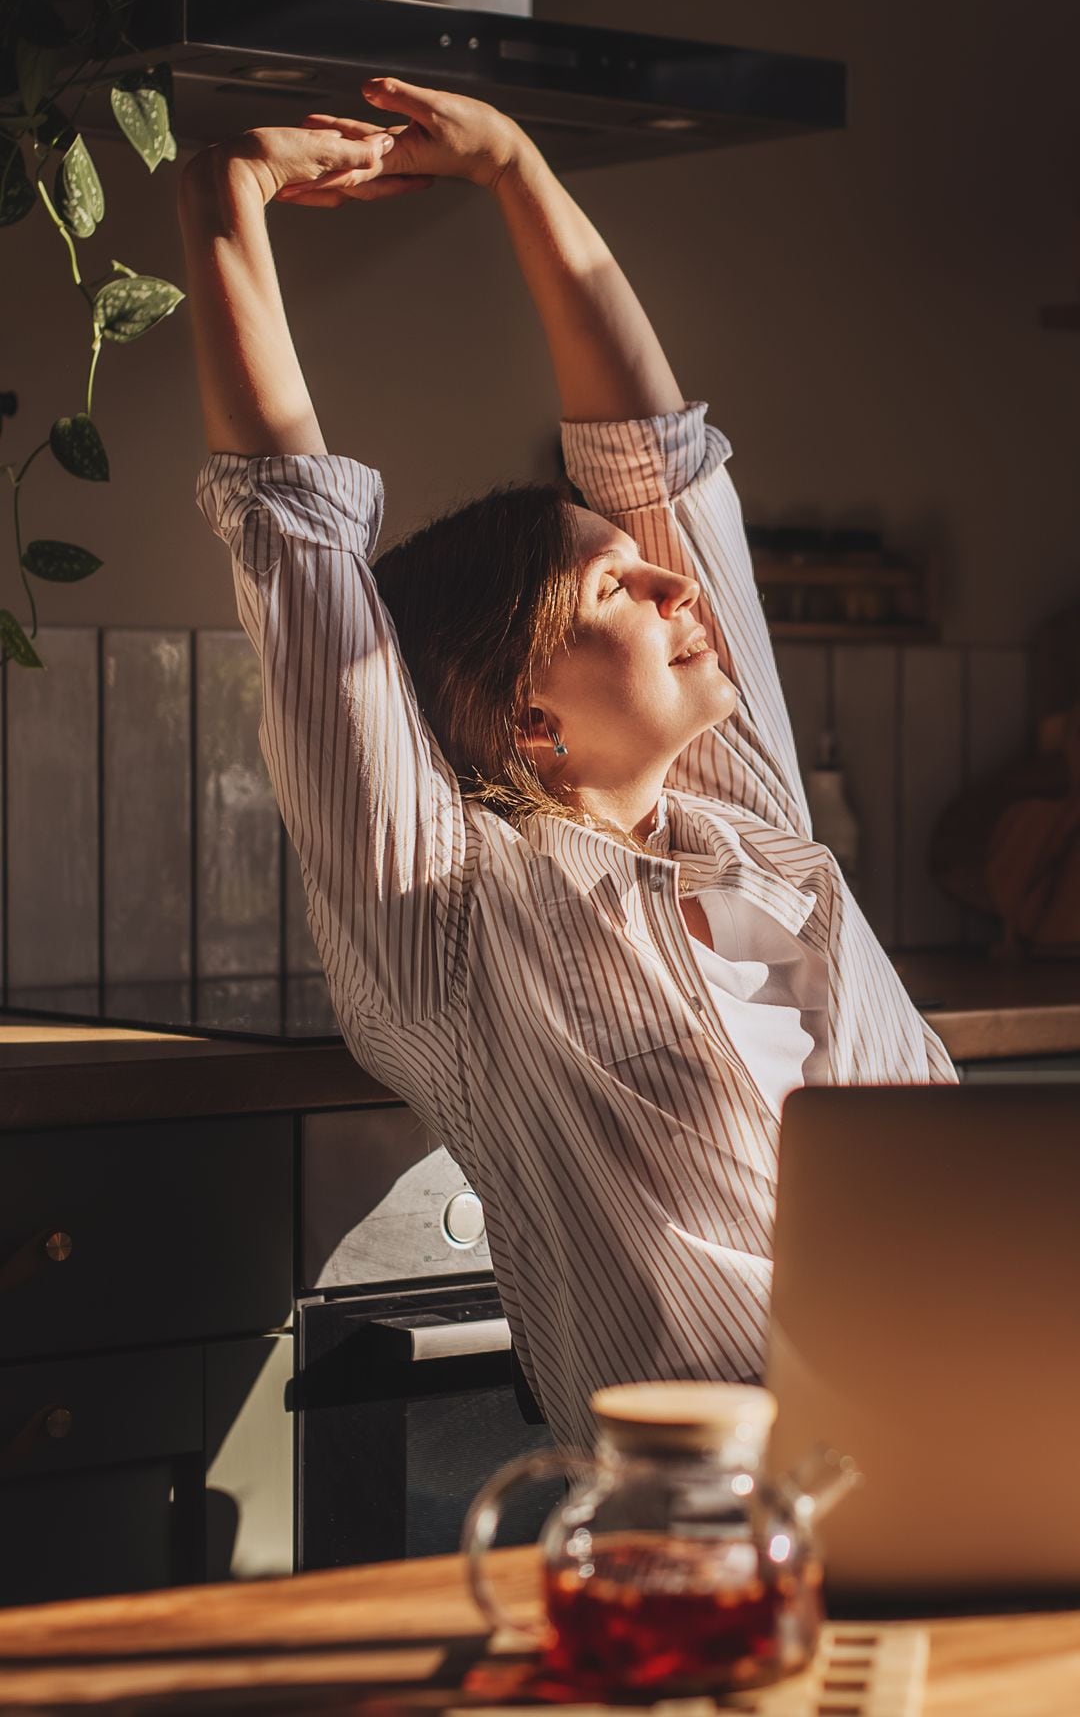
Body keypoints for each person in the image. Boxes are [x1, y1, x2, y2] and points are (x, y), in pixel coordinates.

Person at [179, 78, 957, 1453]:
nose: (675, 579)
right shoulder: (449, 917)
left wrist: (518, 171)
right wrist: (221, 193)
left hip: (996, 1414)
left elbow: (662, 464)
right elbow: (293, 543)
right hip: (717, 1516)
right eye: (613, 588)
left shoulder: (747, 826)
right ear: (517, 708)